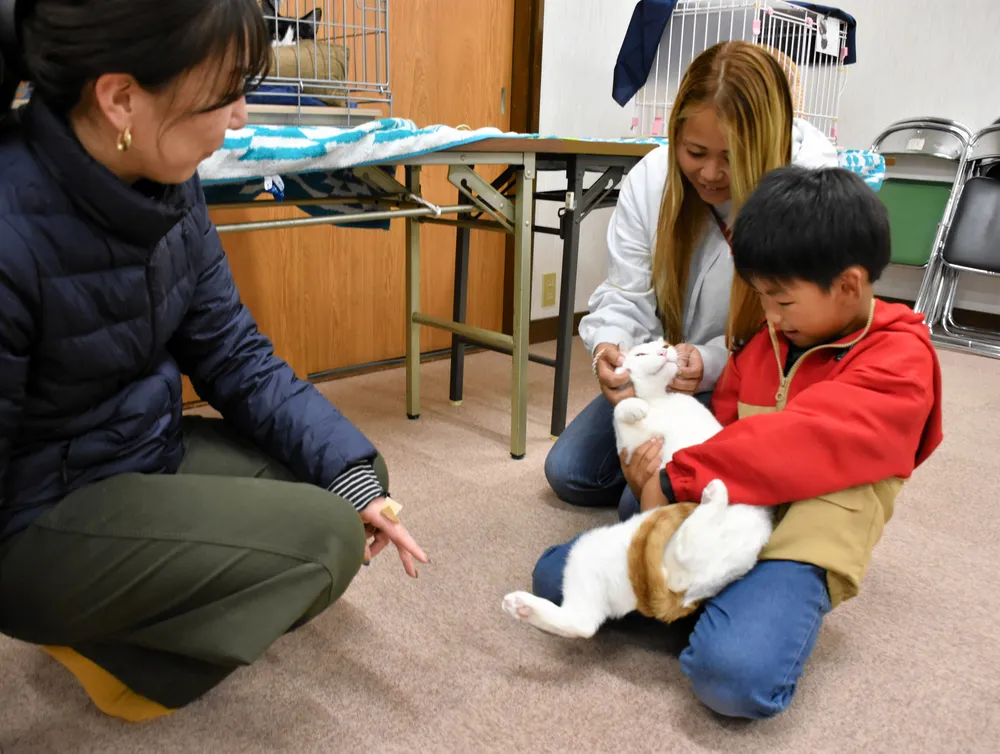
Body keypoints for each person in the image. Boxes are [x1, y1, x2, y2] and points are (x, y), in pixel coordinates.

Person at [0, 0, 427, 722]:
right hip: (35, 516)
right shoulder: (13, 220)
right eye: (225, 94)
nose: (240, 118)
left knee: (356, 487)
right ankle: (113, 645)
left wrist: (351, 478)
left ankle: (113, 617)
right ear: (120, 98)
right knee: (322, 541)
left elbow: (234, 353)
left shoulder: (167, 177)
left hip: (138, 454)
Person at [533, 164, 944, 719]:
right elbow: (720, 424)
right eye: (762, 298)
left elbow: (794, 443)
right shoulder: (770, 340)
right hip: (730, 517)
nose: (769, 316)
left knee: (731, 678)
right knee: (557, 576)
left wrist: (674, 481)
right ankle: (712, 601)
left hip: (801, 540)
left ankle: (723, 611)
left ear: (848, 284)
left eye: (782, 301)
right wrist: (658, 477)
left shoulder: (902, 361)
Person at [543, 41, 839, 521]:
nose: (710, 173)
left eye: (732, 156)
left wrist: (716, 363)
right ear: (675, 133)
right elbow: (625, 293)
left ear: (766, 142)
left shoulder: (808, 191)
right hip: (668, 377)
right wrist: (609, 351)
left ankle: (732, 478)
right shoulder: (651, 180)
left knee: (640, 501)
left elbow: (802, 336)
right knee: (570, 472)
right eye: (695, 152)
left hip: (751, 381)